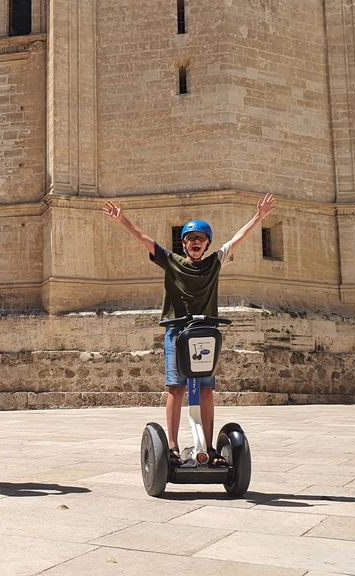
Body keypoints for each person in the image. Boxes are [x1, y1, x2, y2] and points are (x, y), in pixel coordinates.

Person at [103, 194, 277, 465]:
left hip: (206, 332)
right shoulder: (171, 261)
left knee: (206, 390)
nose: (196, 242)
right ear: (183, 243)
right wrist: (122, 218)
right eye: (191, 238)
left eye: (201, 239)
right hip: (177, 332)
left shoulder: (215, 262)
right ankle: (171, 448)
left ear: (207, 243)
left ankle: (208, 447)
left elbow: (238, 239)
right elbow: (144, 238)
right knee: (176, 388)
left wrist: (259, 218)